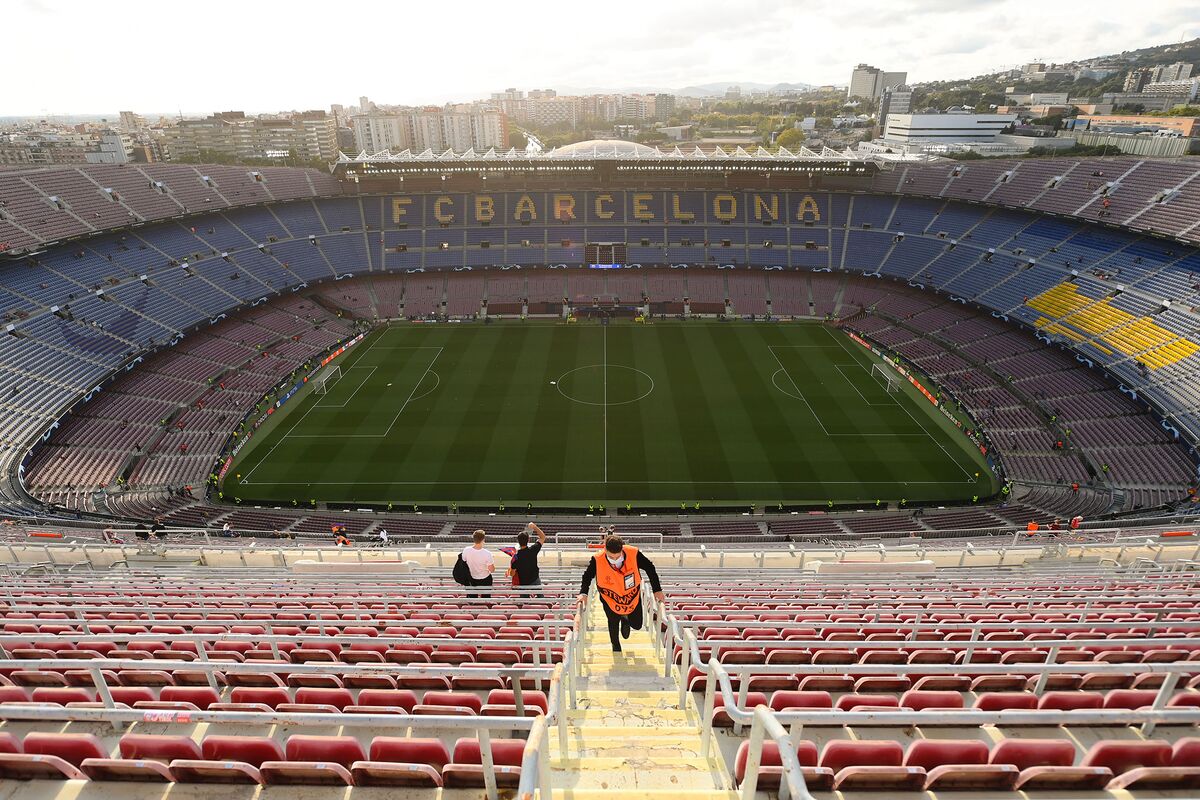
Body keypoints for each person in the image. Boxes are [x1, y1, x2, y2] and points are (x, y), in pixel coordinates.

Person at [578, 535, 664, 653]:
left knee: (637, 625)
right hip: (610, 597)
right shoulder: (597, 559)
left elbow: (650, 568)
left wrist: (657, 590)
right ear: (605, 549)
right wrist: (583, 593)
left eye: (617, 556)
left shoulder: (634, 553)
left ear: (622, 549)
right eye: (610, 556)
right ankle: (616, 646)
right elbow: (587, 576)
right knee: (612, 621)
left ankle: (625, 618)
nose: (614, 559)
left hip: (631, 596)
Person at [508, 522, 546, 598]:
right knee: (541, 598)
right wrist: (535, 527)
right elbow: (542, 537)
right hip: (535, 579)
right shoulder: (533, 549)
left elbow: (512, 574)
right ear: (528, 540)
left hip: (523, 582)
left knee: (524, 602)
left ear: (518, 541)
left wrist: (510, 568)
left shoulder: (515, 557)